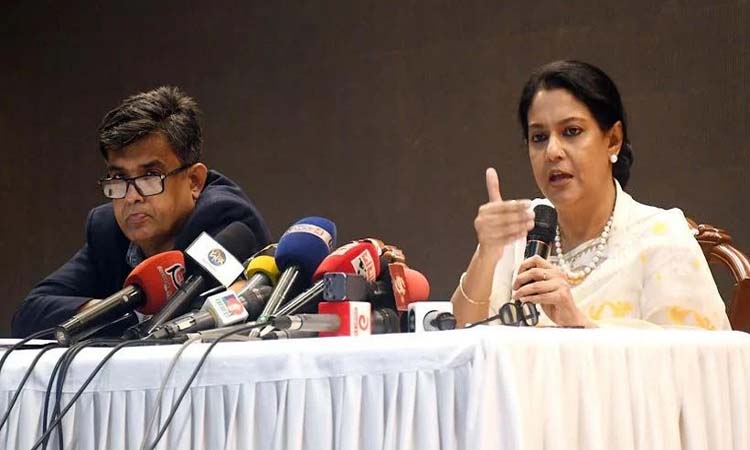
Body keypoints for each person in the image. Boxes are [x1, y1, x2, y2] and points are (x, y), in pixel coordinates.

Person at [451, 60, 730, 330]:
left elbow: (691, 354)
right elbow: (458, 341)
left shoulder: (661, 237)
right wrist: (486, 254)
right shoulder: (520, 228)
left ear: (613, 140)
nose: (552, 152)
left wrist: (581, 323)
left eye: (571, 131)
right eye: (539, 137)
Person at [12, 86, 271, 337]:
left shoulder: (227, 222)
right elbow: (30, 312)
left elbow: (215, 314)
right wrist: (113, 313)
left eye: (150, 176)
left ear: (194, 181)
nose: (131, 197)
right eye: (119, 178)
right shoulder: (108, 231)